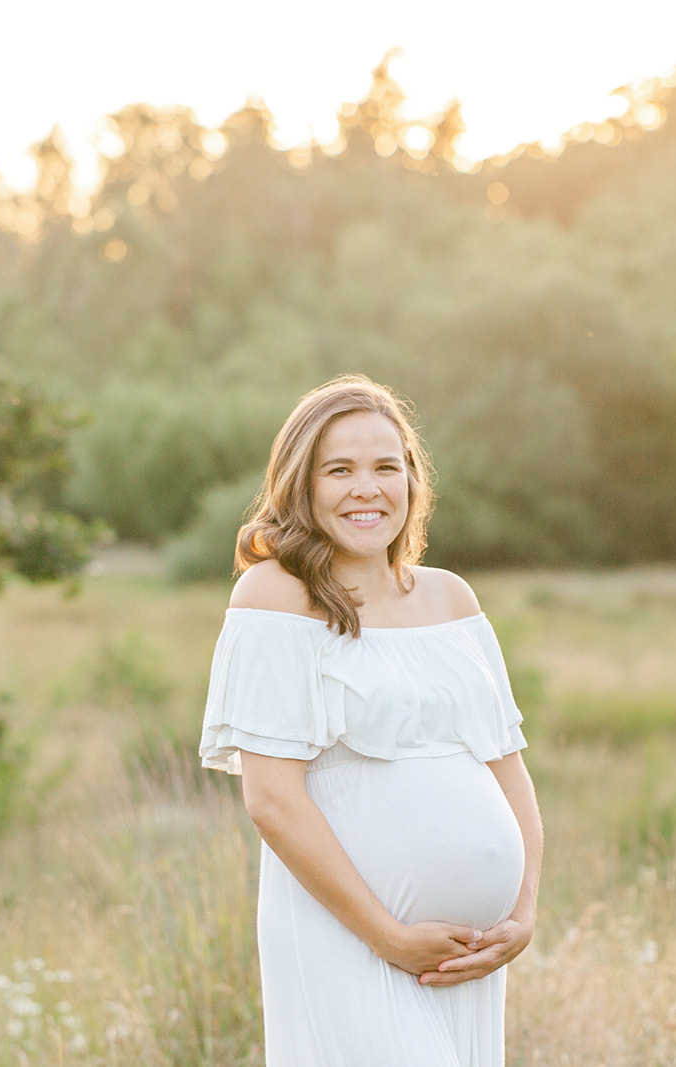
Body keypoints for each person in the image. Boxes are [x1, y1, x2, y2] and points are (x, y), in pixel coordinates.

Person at [199, 374, 543, 1065]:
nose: (367, 488)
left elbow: (509, 774)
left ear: (412, 481)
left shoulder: (451, 599)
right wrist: (388, 936)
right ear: (301, 484)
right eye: (340, 470)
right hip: (350, 942)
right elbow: (271, 799)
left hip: (469, 956)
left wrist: (523, 913)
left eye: (387, 467)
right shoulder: (273, 596)